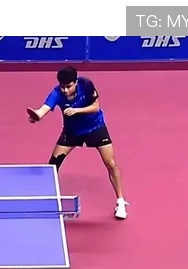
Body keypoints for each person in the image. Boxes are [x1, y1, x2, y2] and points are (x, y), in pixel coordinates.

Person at [27, 66, 129, 220]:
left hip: (95, 127)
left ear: (75, 82)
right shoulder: (56, 93)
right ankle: (48, 199)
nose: (65, 90)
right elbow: (43, 109)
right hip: (72, 132)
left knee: (110, 163)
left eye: (68, 86)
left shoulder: (86, 85)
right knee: (52, 165)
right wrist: (36, 116)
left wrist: (76, 110)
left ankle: (121, 202)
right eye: (62, 87)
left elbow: (96, 107)